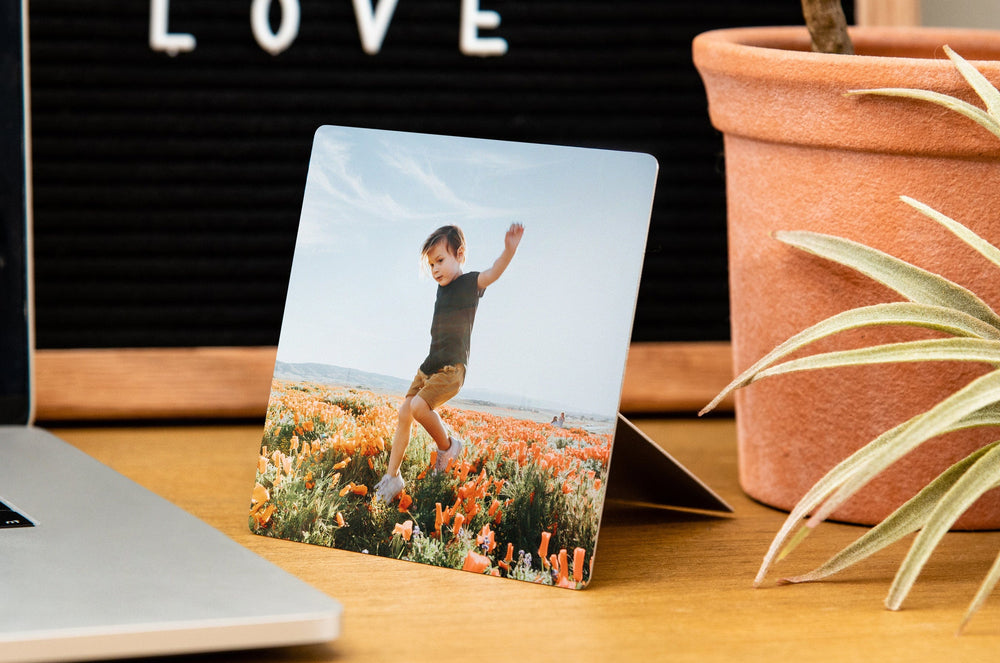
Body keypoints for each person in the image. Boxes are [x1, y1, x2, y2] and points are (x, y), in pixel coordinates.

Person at [374, 222, 525, 503]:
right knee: (405, 412)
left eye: (440, 260)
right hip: (430, 365)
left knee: (419, 407)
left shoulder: (470, 284)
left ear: (460, 254)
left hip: (452, 368)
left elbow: (493, 272)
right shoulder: (441, 289)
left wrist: (509, 251)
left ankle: (448, 447)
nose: (435, 270)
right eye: (431, 265)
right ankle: (392, 478)